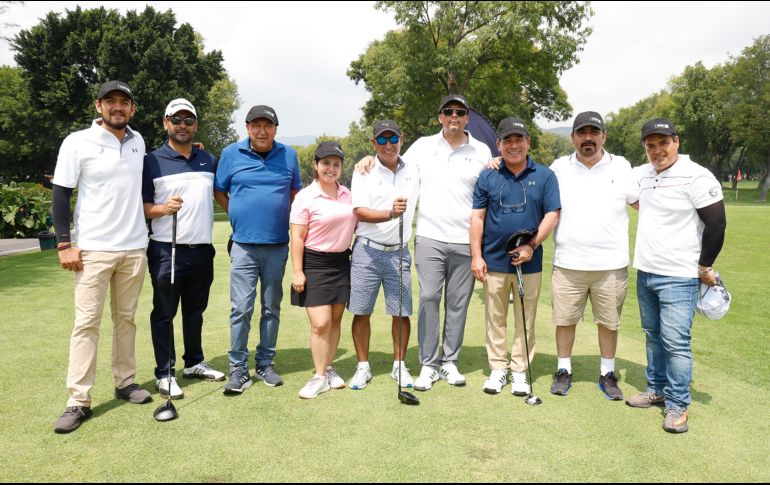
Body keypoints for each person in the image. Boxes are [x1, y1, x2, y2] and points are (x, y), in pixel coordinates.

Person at [357, 95, 492, 391]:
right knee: (429, 298)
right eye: (448, 111)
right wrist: (369, 158)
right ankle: (429, 364)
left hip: (465, 240)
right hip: (430, 236)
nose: (454, 115)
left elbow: (492, 183)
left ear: (466, 117)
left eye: (460, 111)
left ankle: (449, 362)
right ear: (440, 116)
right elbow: (392, 159)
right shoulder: (422, 147)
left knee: (457, 304)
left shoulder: (482, 152)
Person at [51, 80, 151, 434]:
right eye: (111, 102)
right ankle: (78, 400)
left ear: (132, 109)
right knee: (86, 324)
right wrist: (65, 244)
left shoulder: (138, 142)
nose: (118, 107)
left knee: (126, 320)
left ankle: (125, 382)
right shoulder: (77, 142)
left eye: (124, 102)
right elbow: (61, 194)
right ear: (99, 107)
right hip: (93, 249)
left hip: (134, 247)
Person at [626, 118, 726, 434]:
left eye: (663, 143)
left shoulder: (696, 175)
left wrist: (703, 267)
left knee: (675, 342)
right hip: (646, 271)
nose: (657, 150)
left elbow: (717, 224)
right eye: (650, 145)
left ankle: (678, 405)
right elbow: (617, 183)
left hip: (680, 276)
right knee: (653, 335)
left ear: (676, 142)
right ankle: (656, 389)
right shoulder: (641, 174)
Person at [547, 112, 638, 400]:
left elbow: (642, 204)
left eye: (594, 132)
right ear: (573, 137)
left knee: (609, 323)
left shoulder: (622, 167)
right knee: (565, 320)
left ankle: (607, 373)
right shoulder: (559, 167)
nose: (588, 138)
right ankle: (563, 370)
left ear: (603, 136)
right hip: (568, 262)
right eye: (582, 133)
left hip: (611, 265)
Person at [214, 105, 302, 394]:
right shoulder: (231, 154)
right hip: (243, 246)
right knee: (241, 308)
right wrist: (237, 213)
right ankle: (238, 368)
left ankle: (265, 362)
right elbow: (220, 190)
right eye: (256, 125)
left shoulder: (288, 155)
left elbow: (294, 193)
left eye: (268, 125)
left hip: (277, 245)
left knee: (271, 308)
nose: (262, 130)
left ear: (276, 129)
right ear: (247, 128)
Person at [142, 98, 225, 400]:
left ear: (196, 125)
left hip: (202, 249)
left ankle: (194, 363)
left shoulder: (208, 160)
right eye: (176, 120)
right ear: (166, 123)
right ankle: (164, 373)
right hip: (168, 249)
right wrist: (163, 208)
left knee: (195, 311)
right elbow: (142, 206)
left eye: (188, 120)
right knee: (164, 313)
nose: (182, 125)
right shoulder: (151, 161)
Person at [470, 117, 560, 395]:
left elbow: (552, 214)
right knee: (495, 317)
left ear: (528, 142)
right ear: (498, 145)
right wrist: (476, 256)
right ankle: (498, 368)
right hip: (494, 260)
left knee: (525, 318)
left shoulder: (544, 175)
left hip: (529, 262)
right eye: (507, 140)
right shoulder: (488, 175)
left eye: (518, 139)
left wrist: (532, 244)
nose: (513, 145)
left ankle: (520, 370)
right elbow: (477, 217)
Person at [347, 120, 420, 390]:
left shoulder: (414, 168)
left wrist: (491, 161)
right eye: (381, 140)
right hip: (367, 249)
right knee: (361, 311)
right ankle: (363, 367)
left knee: (401, 313)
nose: (388, 145)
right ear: (373, 144)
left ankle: (399, 366)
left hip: (399, 252)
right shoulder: (363, 170)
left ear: (401, 139)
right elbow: (360, 211)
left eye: (392, 139)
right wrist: (390, 213)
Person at [289, 141, 357, 399]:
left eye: (336, 164)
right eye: (326, 163)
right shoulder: (306, 197)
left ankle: (328, 368)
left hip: (341, 263)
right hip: (314, 264)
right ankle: (318, 376)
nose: (331, 168)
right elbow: (296, 237)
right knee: (321, 323)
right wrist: (298, 271)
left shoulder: (349, 195)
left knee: (336, 321)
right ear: (315, 165)